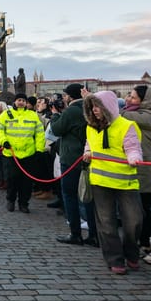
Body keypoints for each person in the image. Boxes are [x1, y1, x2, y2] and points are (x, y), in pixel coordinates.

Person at [83, 90, 143, 275]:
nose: (95, 111)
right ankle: (114, 258)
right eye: (92, 107)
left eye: (98, 107)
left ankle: (131, 253)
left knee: (134, 221)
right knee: (106, 222)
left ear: (107, 107)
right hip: (100, 180)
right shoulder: (90, 127)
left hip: (125, 181)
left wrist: (134, 157)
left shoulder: (126, 125)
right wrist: (87, 152)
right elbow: (90, 144)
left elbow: (133, 146)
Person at [119, 85, 151, 264]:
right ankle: (145, 244)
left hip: (149, 168)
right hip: (141, 166)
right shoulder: (142, 113)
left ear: (144, 100)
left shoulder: (149, 115)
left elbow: (120, 115)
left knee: (147, 210)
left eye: (132, 97)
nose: (128, 99)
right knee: (142, 210)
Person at [50, 84, 98, 246]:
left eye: (64, 95)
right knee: (88, 197)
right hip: (88, 156)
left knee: (70, 195)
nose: (63, 98)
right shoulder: (90, 108)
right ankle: (94, 234)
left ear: (69, 96)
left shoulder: (72, 111)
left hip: (71, 158)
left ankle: (75, 233)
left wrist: (55, 115)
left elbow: (56, 130)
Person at [0, 93, 46, 213]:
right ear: (15, 102)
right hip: (11, 153)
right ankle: (10, 200)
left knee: (26, 182)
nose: (21, 102)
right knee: (12, 179)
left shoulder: (32, 115)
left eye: (23, 100)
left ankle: (24, 203)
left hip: (28, 154)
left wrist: (39, 150)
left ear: (26, 102)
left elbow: (39, 133)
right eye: (19, 100)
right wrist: (3, 141)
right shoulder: (6, 115)